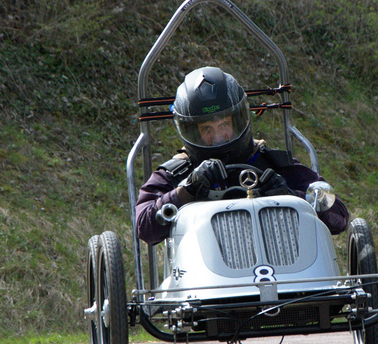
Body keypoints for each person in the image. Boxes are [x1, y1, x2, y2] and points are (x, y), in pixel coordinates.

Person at [134, 67, 348, 246]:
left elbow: (338, 217)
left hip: (284, 274)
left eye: (224, 125)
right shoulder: (177, 172)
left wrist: (290, 197)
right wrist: (185, 191)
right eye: (206, 128)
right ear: (191, 130)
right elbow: (143, 228)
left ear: (237, 121)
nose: (217, 136)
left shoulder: (271, 163)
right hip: (203, 283)